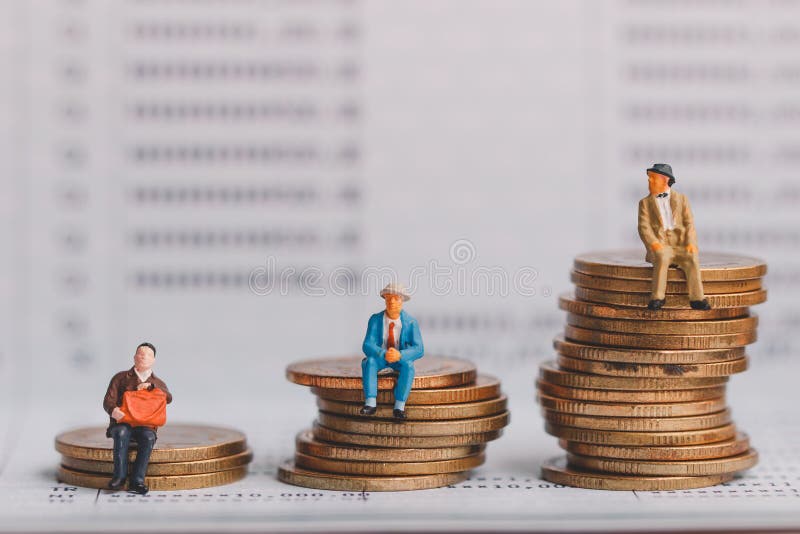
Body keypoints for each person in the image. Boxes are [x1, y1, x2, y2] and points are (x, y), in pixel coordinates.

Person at [637, 163, 711, 311]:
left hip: (680, 244)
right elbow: (643, 227)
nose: (649, 182)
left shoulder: (682, 199)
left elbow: (689, 223)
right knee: (662, 257)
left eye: (653, 178)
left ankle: (697, 298)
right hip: (661, 244)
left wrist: (691, 243)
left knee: (692, 257)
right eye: (649, 179)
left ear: (665, 180)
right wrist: (654, 244)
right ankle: (657, 297)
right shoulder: (645, 203)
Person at [102, 342, 172, 494]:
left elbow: (168, 397)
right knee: (121, 433)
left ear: (153, 360)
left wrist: (151, 388)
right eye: (140, 354)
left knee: (148, 437)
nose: (143, 357)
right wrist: (114, 410)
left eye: (148, 355)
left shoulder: (157, 382)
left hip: (145, 424)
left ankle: (137, 480)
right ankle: (119, 477)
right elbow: (108, 400)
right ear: (134, 357)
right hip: (123, 421)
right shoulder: (120, 378)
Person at [360, 283, 424, 419]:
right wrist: (382, 353)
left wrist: (400, 354)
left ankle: (399, 406)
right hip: (381, 357)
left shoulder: (411, 323)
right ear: (384, 300)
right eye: (388, 298)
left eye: (396, 298)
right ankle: (370, 403)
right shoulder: (375, 320)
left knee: (409, 366)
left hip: (399, 359)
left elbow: (419, 349)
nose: (392, 302)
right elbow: (367, 344)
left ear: (402, 300)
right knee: (370, 362)